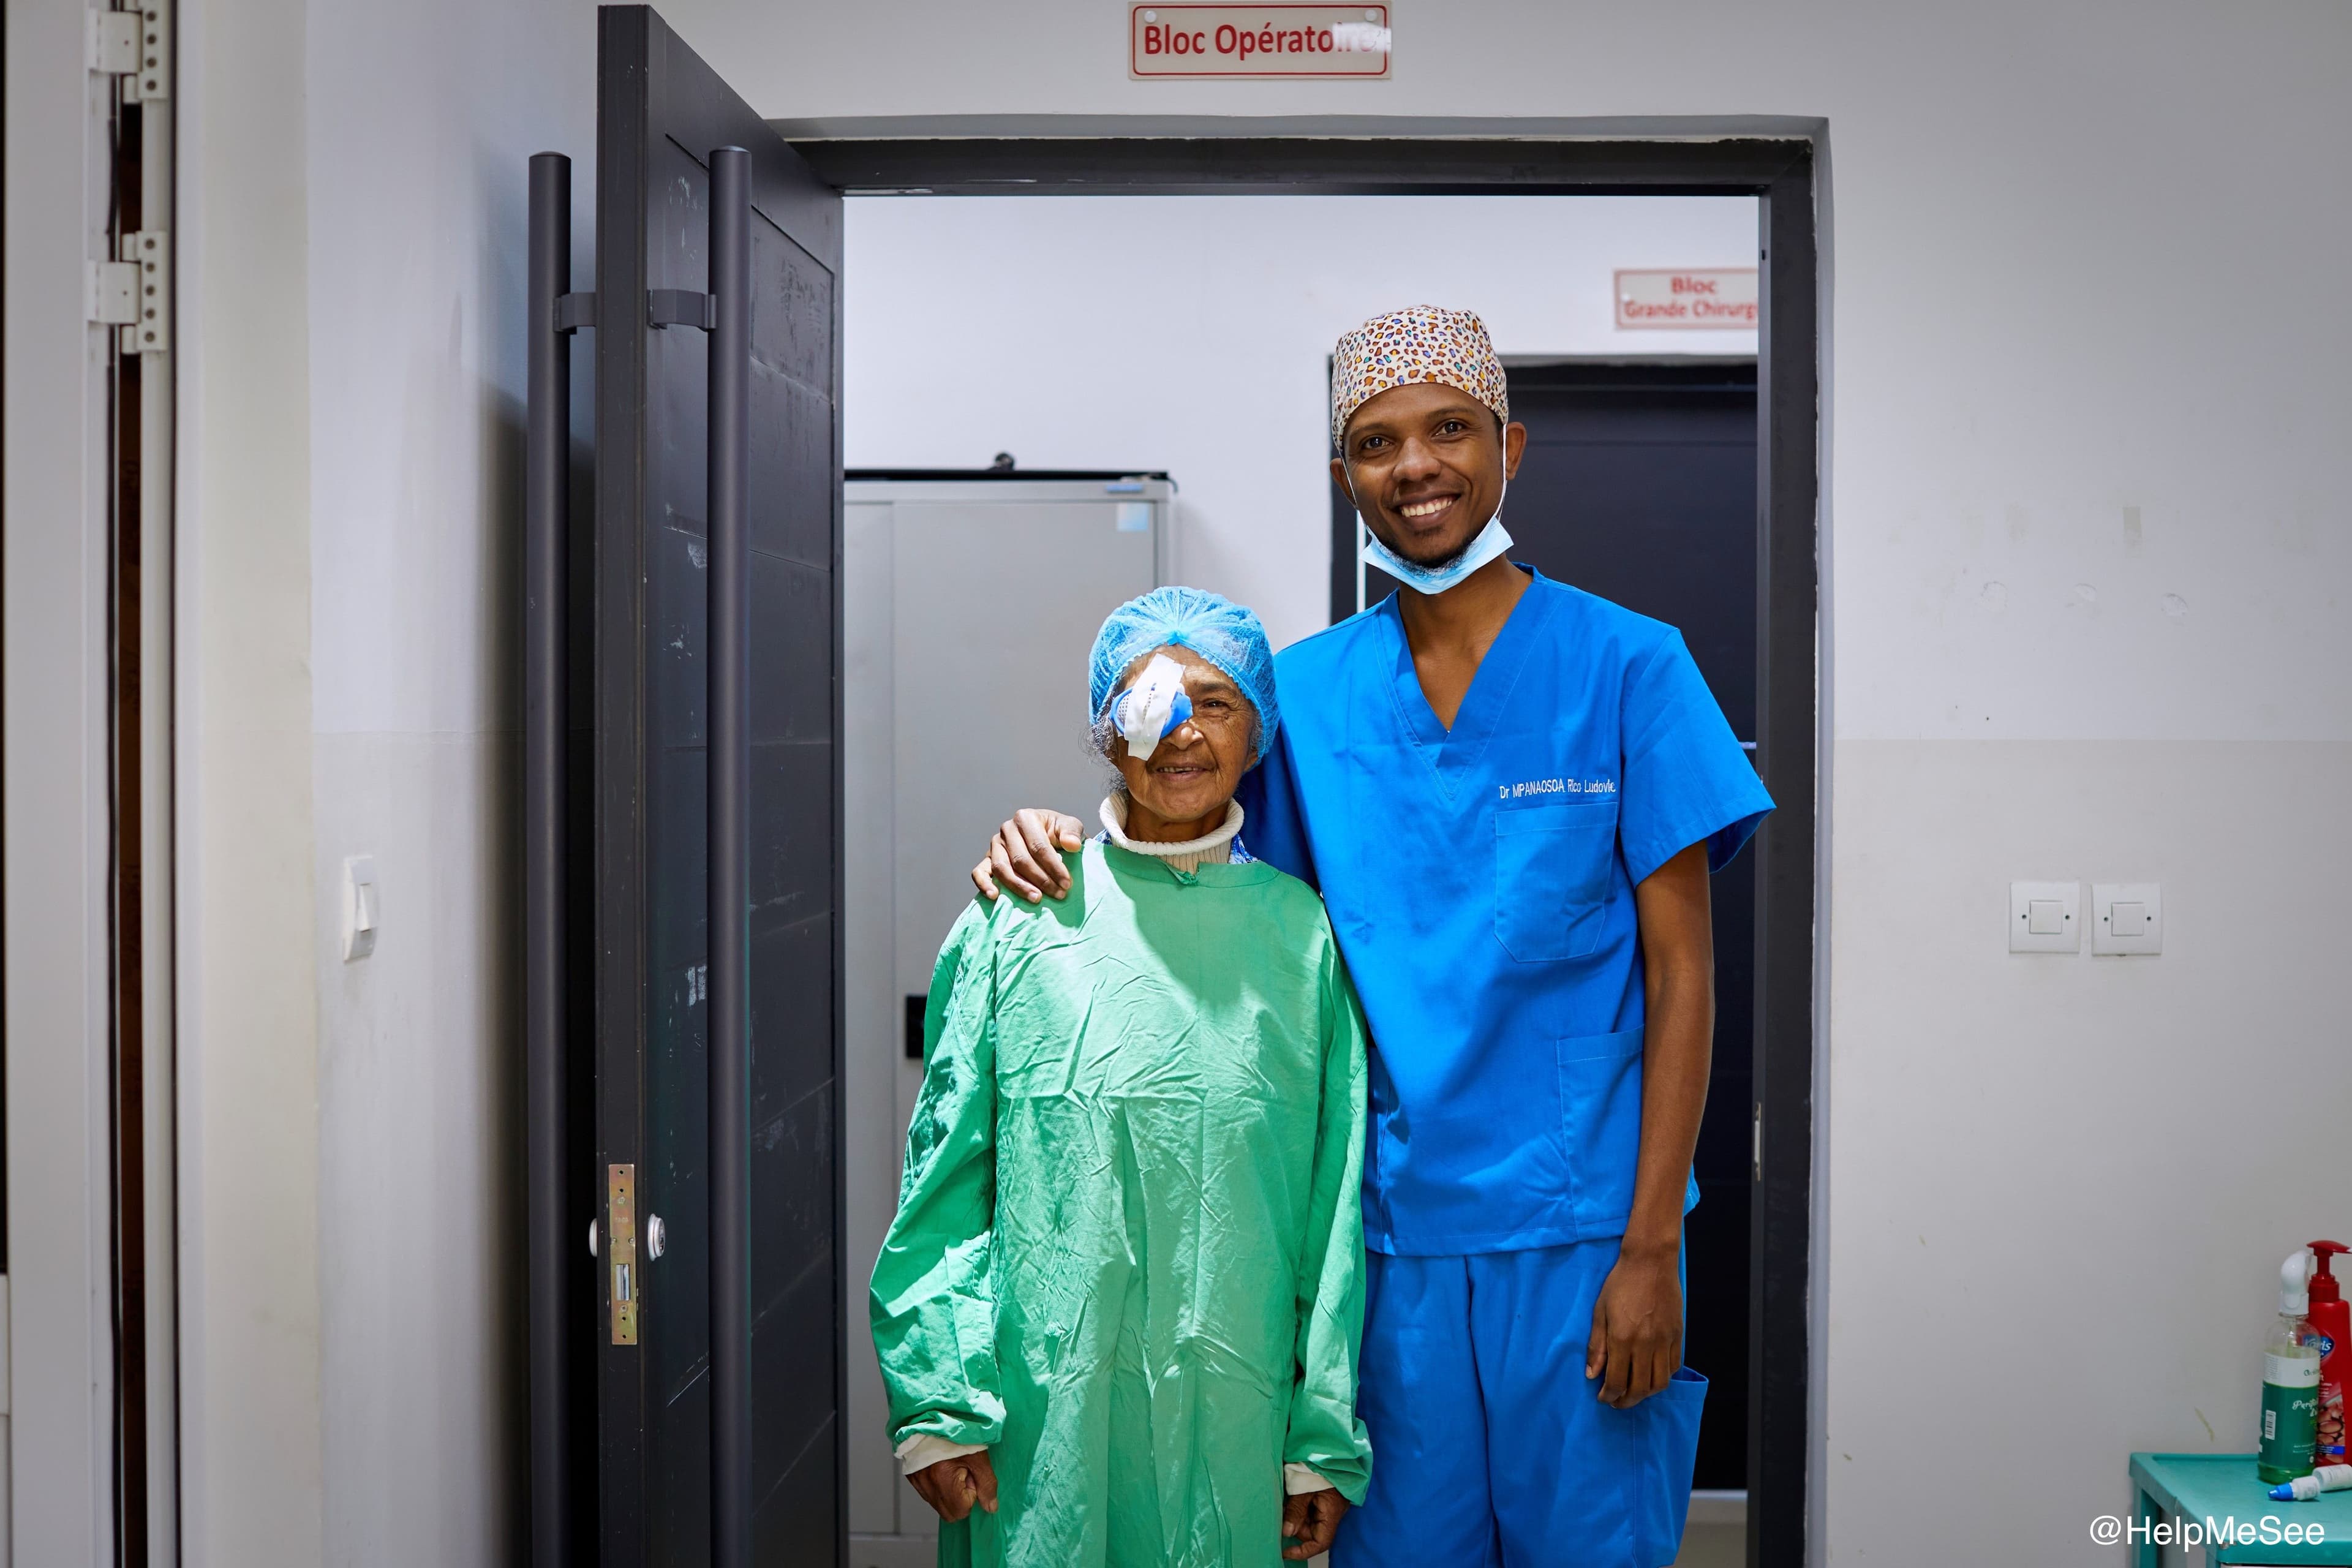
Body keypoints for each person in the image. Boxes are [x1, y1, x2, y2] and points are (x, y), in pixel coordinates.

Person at [970, 306, 1774, 1567]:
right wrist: (1048, 839)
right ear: (1345, 475)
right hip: (1380, 1246)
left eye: (1449, 429)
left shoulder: (1631, 668)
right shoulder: (1313, 692)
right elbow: (1197, 876)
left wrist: (1653, 1248)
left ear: (1509, 443)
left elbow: (1686, 977)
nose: (1416, 466)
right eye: (1376, 442)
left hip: (1580, 1236)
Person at [872, 587, 1374, 1567]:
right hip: (1042, 1410)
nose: (1183, 731)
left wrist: (1320, 1438)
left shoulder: (1301, 936)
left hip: (1236, 1411)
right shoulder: (1022, 915)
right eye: (1152, 699)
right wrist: (936, 1402)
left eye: (1216, 703)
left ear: (1258, 734)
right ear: (1108, 730)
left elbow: (1334, 1203)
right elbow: (943, 1182)